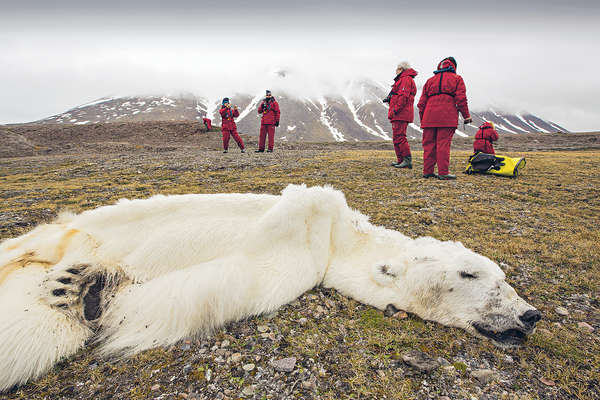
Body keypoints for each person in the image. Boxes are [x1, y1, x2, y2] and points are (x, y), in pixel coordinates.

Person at [417, 57, 472, 179]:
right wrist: (466, 116)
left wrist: (423, 120)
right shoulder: (457, 79)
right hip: (447, 117)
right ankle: (443, 173)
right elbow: (461, 99)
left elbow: (421, 104)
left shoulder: (430, 81)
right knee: (443, 145)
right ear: (454, 67)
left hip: (429, 118)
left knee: (429, 145)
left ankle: (428, 171)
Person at [386, 61, 418, 169]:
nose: (395, 71)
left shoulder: (406, 80)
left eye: (397, 69)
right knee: (397, 137)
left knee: (400, 136)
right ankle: (401, 160)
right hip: (399, 113)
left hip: (401, 114)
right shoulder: (403, 80)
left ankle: (407, 160)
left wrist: (395, 110)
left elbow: (403, 98)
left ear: (401, 69)